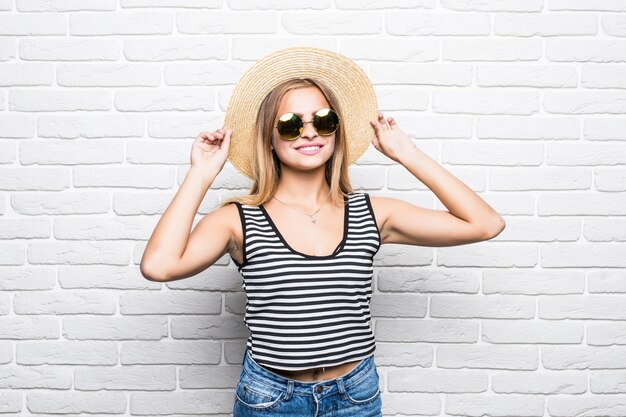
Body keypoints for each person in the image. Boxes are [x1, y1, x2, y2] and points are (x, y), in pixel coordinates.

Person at [140, 47, 505, 416]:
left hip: (355, 397)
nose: (309, 132)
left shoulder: (371, 214)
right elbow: (159, 266)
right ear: (269, 136)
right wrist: (201, 173)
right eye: (290, 123)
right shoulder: (239, 219)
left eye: (323, 120)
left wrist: (406, 152)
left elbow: (486, 223)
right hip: (270, 399)